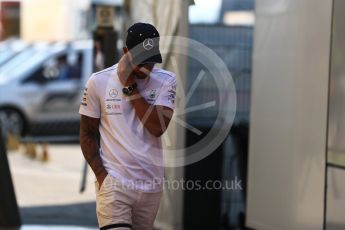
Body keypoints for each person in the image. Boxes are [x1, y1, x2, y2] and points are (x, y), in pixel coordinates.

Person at [79, 22, 176, 230]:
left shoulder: (167, 81)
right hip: (114, 185)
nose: (147, 68)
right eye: (141, 60)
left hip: (150, 187)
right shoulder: (99, 82)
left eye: (151, 61)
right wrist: (102, 177)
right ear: (126, 52)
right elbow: (87, 133)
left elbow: (156, 127)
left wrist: (129, 86)